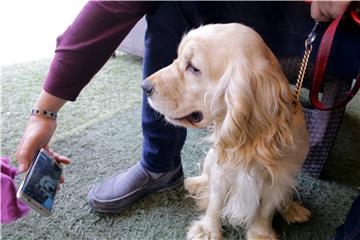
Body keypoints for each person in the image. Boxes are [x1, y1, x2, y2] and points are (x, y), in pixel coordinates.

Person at [16, 1, 359, 214]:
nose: (148, 81)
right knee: (174, 3)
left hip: (345, 27)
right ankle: (159, 164)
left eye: (191, 68)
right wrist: (44, 111)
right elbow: (114, 4)